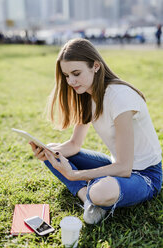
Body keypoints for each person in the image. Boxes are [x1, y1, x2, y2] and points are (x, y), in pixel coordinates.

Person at [30, 38, 162, 224]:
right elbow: (75, 145)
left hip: (145, 175)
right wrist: (47, 153)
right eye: (66, 75)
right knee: (53, 150)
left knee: (101, 192)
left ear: (96, 66)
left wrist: (74, 175)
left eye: (76, 73)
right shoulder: (87, 96)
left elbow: (124, 168)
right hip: (115, 166)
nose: (71, 81)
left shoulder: (120, 98)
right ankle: (88, 201)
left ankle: (94, 196)